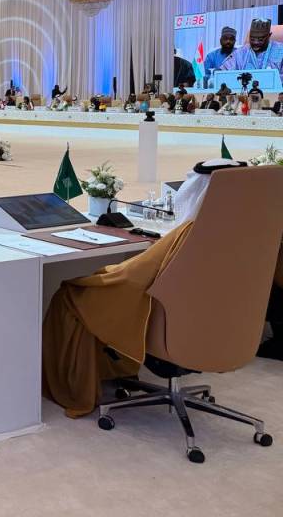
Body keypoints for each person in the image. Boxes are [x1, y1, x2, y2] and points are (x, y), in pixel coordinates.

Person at [42, 159, 246, 418]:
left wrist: (96, 277)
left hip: (170, 326)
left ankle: (75, 388)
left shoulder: (191, 232)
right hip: (222, 325)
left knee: (71, 295)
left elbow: (130, 277)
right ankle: (116, 372)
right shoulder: (246, 232)